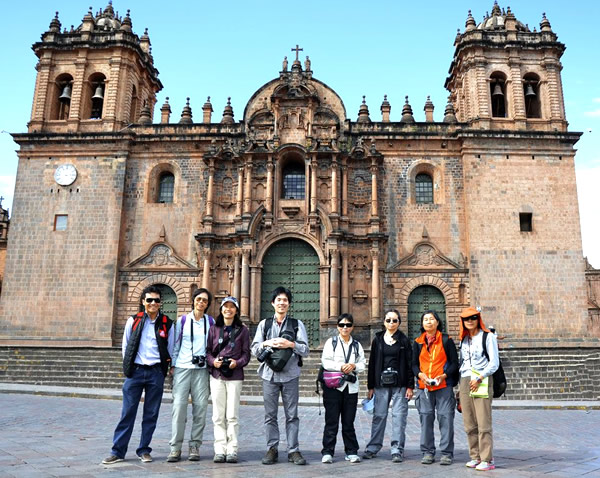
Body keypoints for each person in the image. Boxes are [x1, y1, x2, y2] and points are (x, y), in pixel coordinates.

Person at [102, 285, 174, 464]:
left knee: (151, 413)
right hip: (136, 371)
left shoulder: (167, 323)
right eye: (149, 300)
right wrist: (128, 367)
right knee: (127, 412)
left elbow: (170, 348)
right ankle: (118, 451)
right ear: (143, 302)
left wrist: (166, 368)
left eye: (156, 300)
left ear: (161, 303)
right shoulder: (133, 320)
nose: (153, 303)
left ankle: (144, 450)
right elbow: (126, 346)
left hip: (156, 372)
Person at [251, 286, 310, 466]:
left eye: (285, 300)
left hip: (290, 374)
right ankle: (272, 449)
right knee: (270, 415)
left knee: (292, 414)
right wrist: (267, 343)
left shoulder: (296, 324)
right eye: (279, 300)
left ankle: (293, 450)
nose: (282, 303)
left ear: (289, 304)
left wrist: (290, 344)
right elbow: (254, 349)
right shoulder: (264, 324)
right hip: (269, 375)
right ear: (273, 303)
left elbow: (305, 350)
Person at [167, 288, 214, 463]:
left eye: (205, 300)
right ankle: (175, 448)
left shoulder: (210, 321)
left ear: (208, 304)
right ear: (193, 300)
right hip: (182, 368)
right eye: (199, 299)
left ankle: (195, 445)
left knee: (200, 409)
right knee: (179, 408)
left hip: (202, 370)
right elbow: (175, 343)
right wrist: (172, 365)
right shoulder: (182, 321)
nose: (201, 302)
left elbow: (213, 345)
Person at [363, 310, 414, 463]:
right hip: (380, 384)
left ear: (399, 322)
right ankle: (373, 447)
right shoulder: (377, 340)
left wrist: (410, 386)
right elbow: (372, 363)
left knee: (399, 417)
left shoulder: (404, 340)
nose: (391, 323)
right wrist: (370, 386)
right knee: (379, 416)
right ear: (384, 322)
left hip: (400, 385)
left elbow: (410, 364)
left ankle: (397, 449)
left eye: (394, 320)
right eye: (388, 320)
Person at [206, 296, 251, 464]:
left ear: (237, 311)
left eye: (232, 307)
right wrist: (213, 362)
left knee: (232, 415)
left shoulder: (243, 330)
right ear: (221, 309)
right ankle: (219, 450)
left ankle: (232, 450)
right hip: (217, 375)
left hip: (235, 376)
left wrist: (236, 363)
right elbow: (208, 352)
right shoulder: (213, 329)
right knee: (218, 415)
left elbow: (247, 353)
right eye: (226, 306)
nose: (228, 309)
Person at [412, 310, 459, 466]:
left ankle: (446, 453)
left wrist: (443, 376)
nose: (429, 322)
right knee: (426, 418)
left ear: (438, 322)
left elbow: (454, 363)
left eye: (432, 319)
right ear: (422, 323)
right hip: (424, 387)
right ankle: (427, 452)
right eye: (425, 319)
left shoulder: (446, 340)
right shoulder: (418, 342)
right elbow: (413, 364)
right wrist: (420, 375)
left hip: (443, 386)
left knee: (446, 418)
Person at [320, 313, 366, 464]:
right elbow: (325, 362)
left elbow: (362, 364)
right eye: (342, 325)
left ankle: (351, 451)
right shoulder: (331, 343)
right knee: (331, 421)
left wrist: (353, 366)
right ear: (337, 327)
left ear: (352, 327)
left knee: (348, 422)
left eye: (348, 325)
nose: (345, 328)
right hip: (333, 387)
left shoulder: (357, 345)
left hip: (351, 388)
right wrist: (341, 366)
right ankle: (327, 452)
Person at [458, 306, 499, 472]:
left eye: (473, 318)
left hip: (481, 379)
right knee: (469, 422)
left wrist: (480, 377)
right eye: (466, 319)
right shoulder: (464, 339)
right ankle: (475, 456)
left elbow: (494, 363)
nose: (470, 321)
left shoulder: (488, 337)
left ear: (478, 319)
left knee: (483, 422)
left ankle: (487, 459)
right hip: (465, 380)